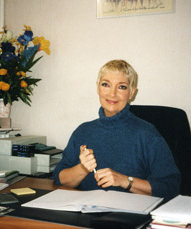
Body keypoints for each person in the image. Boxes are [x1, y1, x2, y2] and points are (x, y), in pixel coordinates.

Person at [53, 59, 180, 199]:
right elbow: (60, 178)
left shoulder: (147, 134)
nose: (112, 94)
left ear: (131, 92)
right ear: (98, 88)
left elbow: (170, 187)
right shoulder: (83, 131)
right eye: (106, 85)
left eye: (122, 87)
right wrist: (82, 169)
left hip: (131, 217)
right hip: (86, 216)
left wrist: (125, 181)